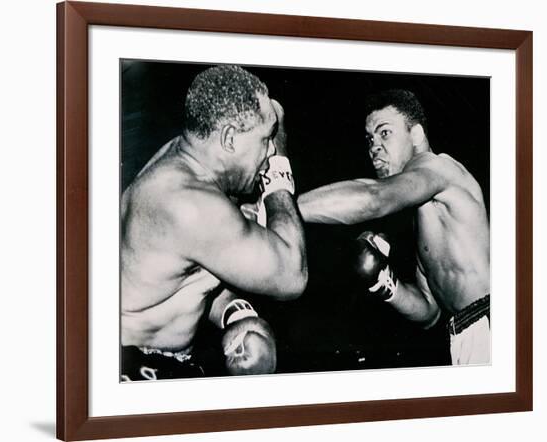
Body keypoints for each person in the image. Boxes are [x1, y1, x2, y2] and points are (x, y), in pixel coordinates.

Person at [120, 65, 308, 380]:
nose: (270, 148)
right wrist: (279, 172)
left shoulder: (183, 164)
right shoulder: (188, 202)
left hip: (146, 354)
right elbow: (291, 275)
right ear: (230, 138)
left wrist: (236, 313)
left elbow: (179, 279)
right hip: (135, 366)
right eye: (265, 138)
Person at [297, 89, 490, 365]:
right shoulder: (423, 212)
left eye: (384, 132)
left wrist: (283, 209)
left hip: (492, 321)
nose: (374, 146)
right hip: (464, 332)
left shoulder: (438, 168)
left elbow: (373, 197)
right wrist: (384, 282)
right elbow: (430, 311)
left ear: (416, 135)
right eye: (369, 139)